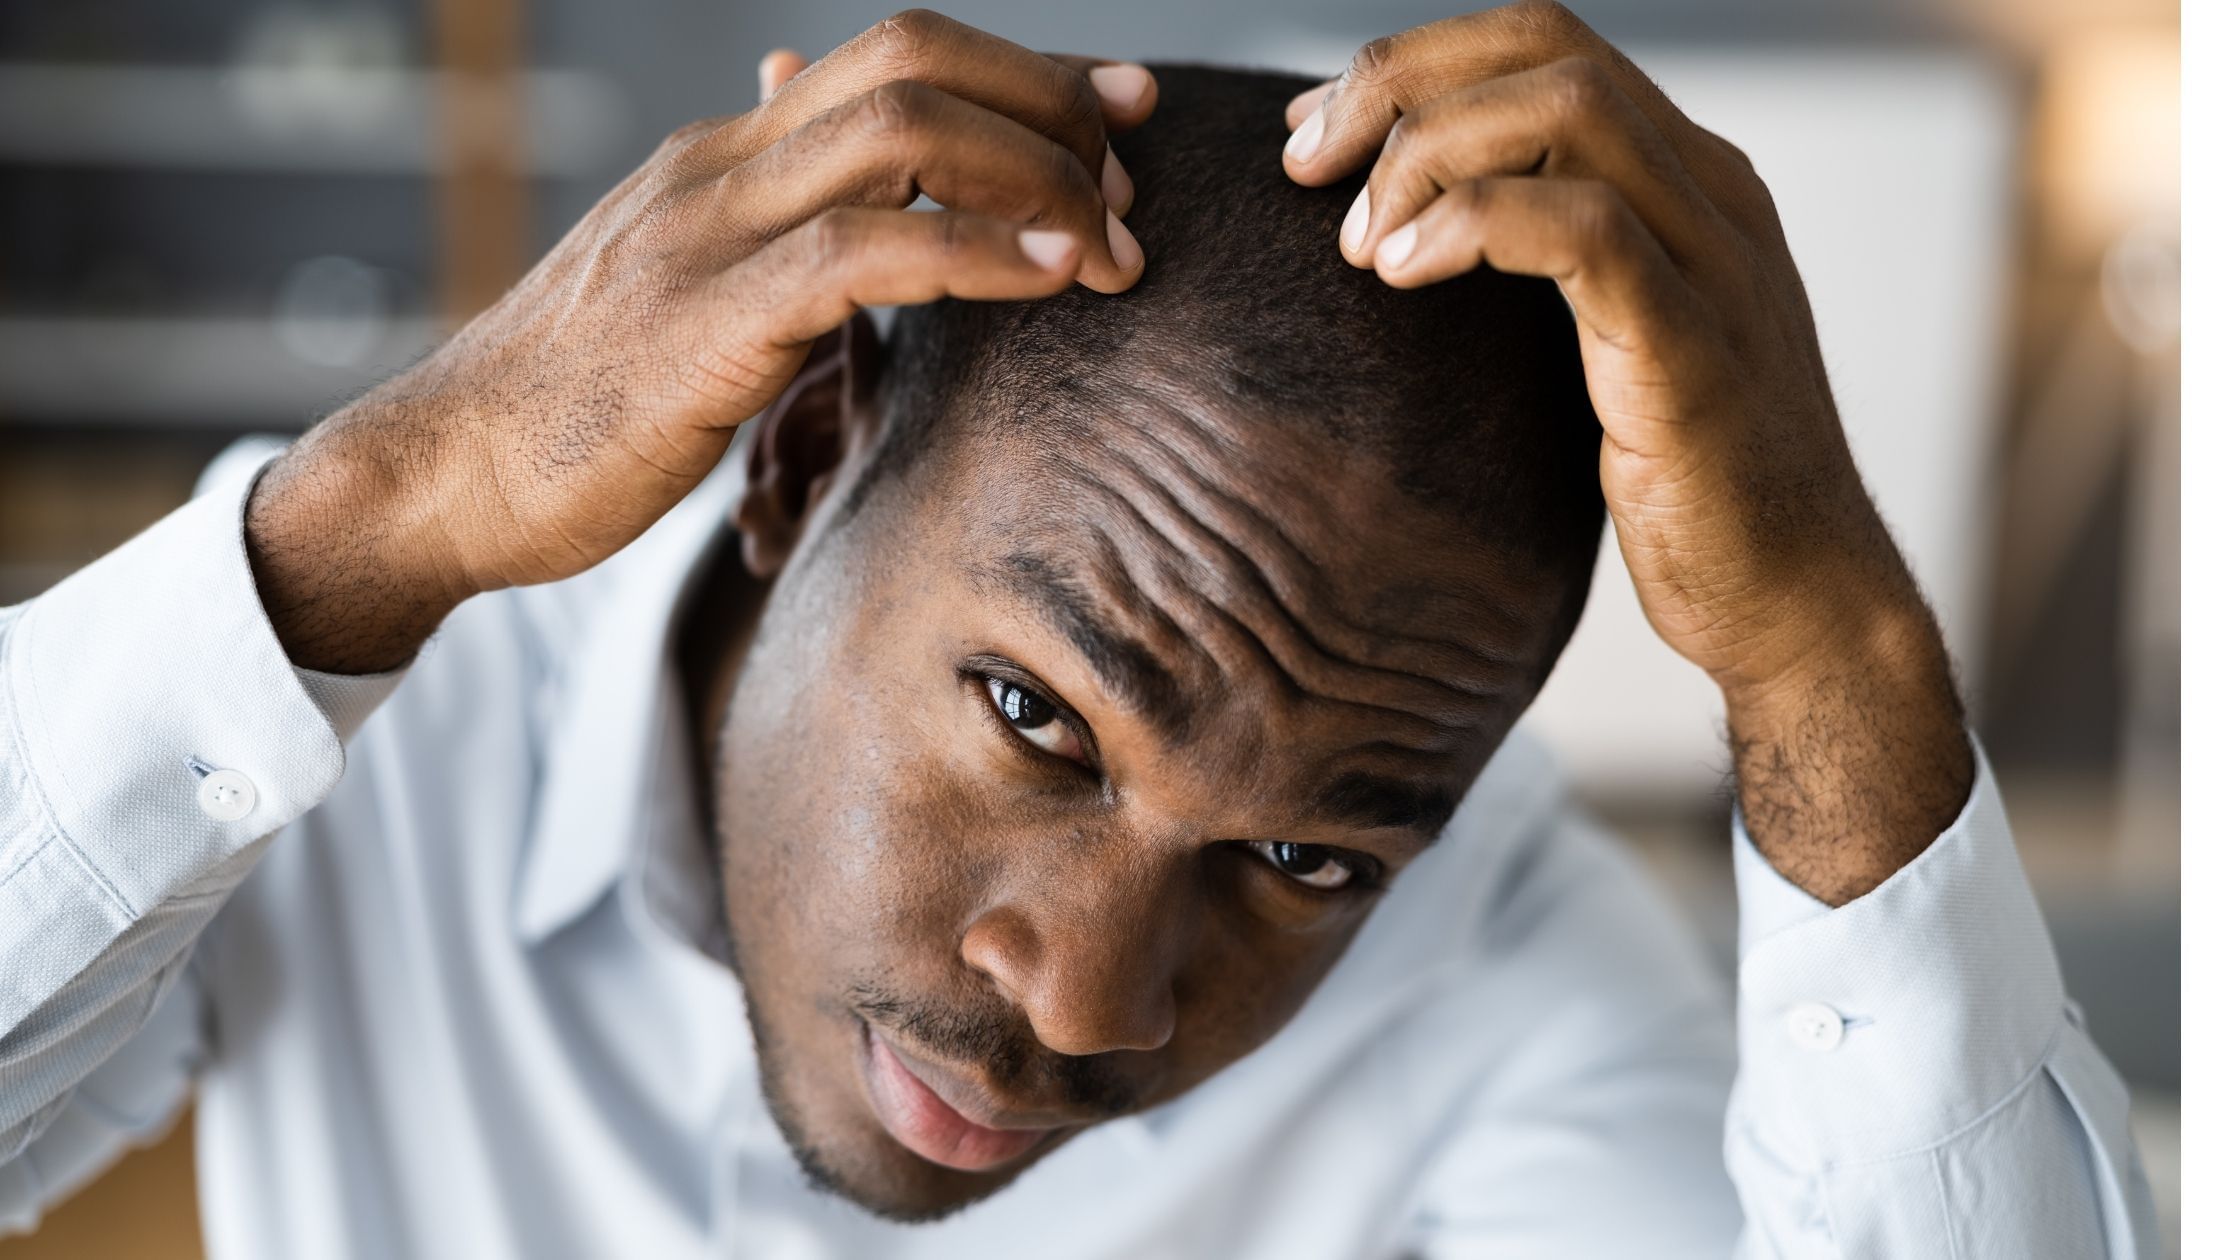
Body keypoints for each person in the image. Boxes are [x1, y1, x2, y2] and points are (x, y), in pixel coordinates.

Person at [0, 6, 2156, 1257]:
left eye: (1308, 858)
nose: (1092, 1002)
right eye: (1037, 715)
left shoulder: (1500, 982)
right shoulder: (347, 702)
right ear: (799, 459)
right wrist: (370, 513)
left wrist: (1835, 676)